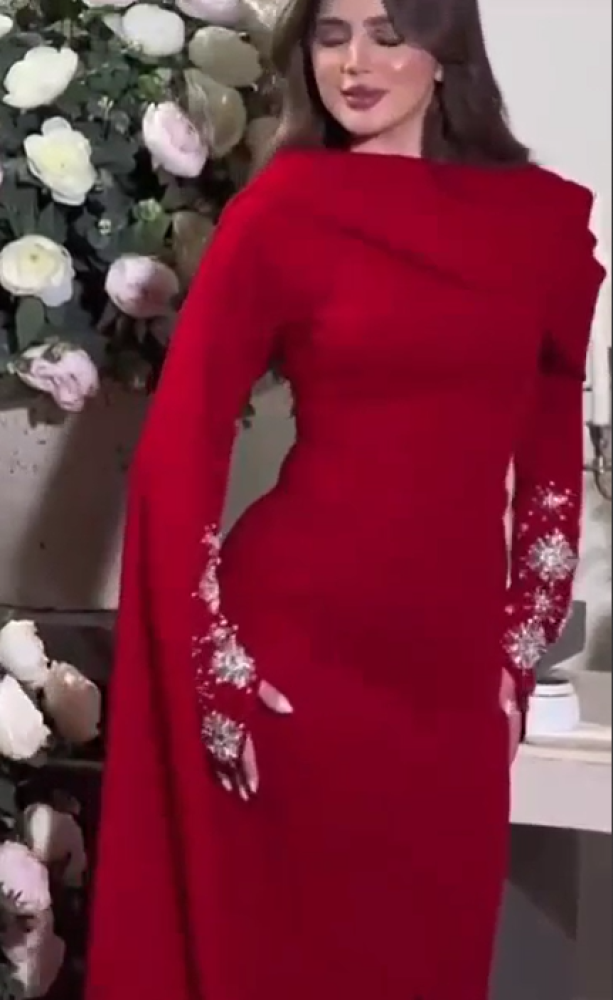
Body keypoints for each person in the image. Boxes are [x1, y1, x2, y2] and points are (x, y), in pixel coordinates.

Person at [85, 0, 605, 996]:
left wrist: (516, 645)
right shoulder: (282, 212)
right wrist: (216, 666)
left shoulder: (537, 224)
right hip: (296, 663)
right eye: (332, 37)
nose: (355, 62)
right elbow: (180, 444)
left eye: (387, 33)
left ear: (446, 52)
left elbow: (549, 456)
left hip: (446, 681)